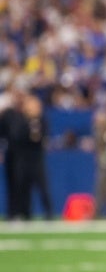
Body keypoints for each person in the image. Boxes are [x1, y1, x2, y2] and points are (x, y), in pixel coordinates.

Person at [0, 93, 54, 221]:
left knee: (43, 187)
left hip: (37, 158)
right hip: (22, 158)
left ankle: (49, 213)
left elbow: (43, 137)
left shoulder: (41, 120)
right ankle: (22, 213)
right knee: (21, 188)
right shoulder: (20, 119)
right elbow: (16, 136)